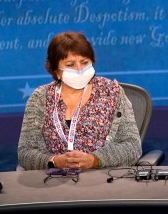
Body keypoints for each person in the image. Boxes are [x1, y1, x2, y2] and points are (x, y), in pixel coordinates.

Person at [17, 31, 142, 171]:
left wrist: (95, 160)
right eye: (70, 64)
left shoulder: (112, 92)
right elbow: (25, 152)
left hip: (102, 180)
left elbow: (132, 147)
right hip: (54, 181)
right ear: (56, 71)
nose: (79, 69)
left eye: (84, 62)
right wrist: (54, 161)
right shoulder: (40, 98)